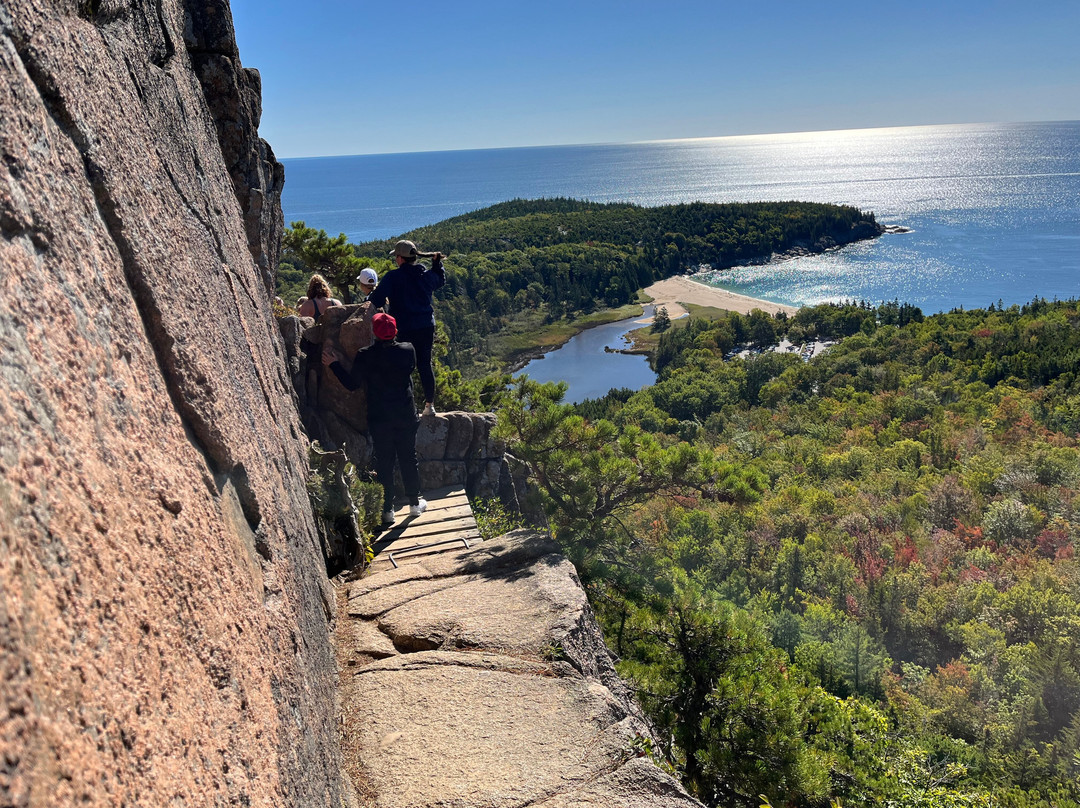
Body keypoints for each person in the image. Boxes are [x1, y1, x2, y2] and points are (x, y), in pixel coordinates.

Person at [323, 313, 427, 526]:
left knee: (385, 462)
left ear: (374, 333)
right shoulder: (408, 350)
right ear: (395, 331)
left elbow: (353, 384)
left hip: (380, 418)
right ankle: (415, 504)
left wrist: (334, 364)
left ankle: (387, 510)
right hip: (406, 414)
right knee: (409, 458)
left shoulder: (365, 355)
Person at [368, 240, 445, 417]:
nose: (395, 259)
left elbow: (377, 300)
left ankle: (407, 407)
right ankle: (429, 406)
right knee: (425, 364)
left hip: (404, 327)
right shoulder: (424, 275)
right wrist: (436, 263)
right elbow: (439, 279)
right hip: (426, 325)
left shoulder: (393, 277)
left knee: (405, 365)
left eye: (396, 256)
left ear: (400, 258)